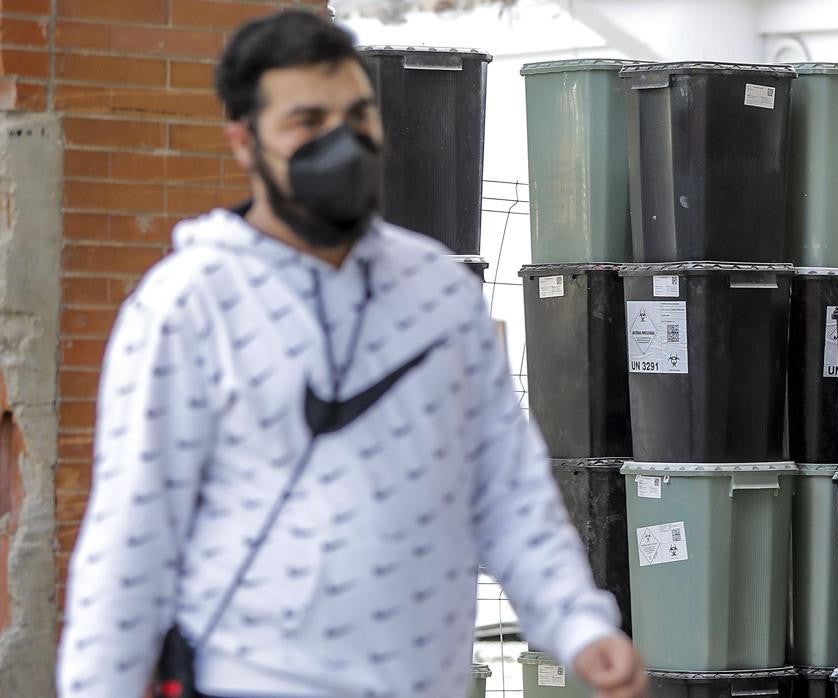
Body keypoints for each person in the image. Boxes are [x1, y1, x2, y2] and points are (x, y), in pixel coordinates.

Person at [56, 10, 646, 698]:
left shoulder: (439, 295)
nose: (344, 142)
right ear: (244, 143)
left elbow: (508, 488)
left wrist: (579, 625)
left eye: (358, 116)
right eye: (307, 123)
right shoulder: (187, 307)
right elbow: (131, 543)